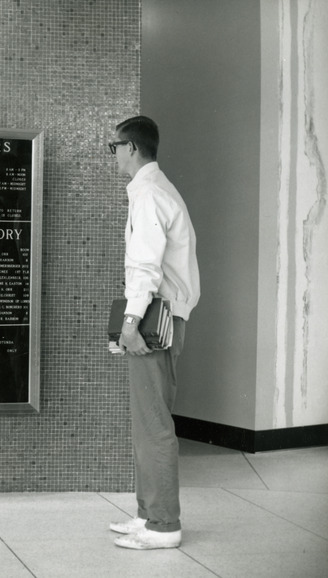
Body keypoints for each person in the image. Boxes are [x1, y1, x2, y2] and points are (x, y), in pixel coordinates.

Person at [108, 116, 200, 550]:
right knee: (148, 420)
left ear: (130, 148)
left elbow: (144, 267)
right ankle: (147, 514)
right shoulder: (159, 189)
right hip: (164, 318)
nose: (115, 156)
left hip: (152, 321)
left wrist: (130, 324)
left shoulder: (147, 194)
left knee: (154, 423)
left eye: (115, 148)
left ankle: (164, 525)